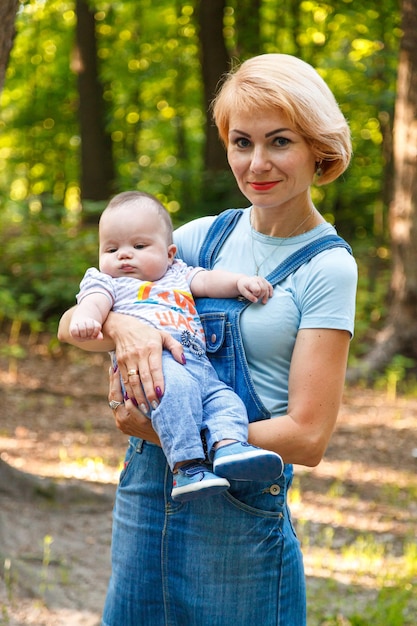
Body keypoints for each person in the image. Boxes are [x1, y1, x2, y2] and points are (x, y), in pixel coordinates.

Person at [58, 53, 357, 626]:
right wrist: (123, 325)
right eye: (242, 142)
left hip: (237, 511)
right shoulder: (198, 239)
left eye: (280, 142)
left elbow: (308, 436)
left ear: (318, 148)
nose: (258, 163)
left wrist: (179, 430)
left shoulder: (327, 268)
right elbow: (78, 323)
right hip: (148, 493)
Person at [68, 190, 284, 502]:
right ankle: (188, 467)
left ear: (170, 253)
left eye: (139, 246)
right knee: (178, 392)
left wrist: (239, 283)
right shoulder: (107, 282)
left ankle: (229, 447)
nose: (124, 255)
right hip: (153, 370)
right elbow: (92, 304)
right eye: (111, 248)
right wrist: (88, 319)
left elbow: (209, 281)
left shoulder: (178, 273)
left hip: (199, 367)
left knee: (225, 401)